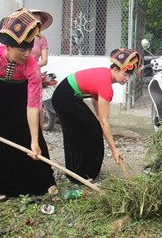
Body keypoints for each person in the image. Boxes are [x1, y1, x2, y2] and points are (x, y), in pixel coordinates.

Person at [0, 8, 56, 200]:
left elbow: (33, 106)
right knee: (3, 134)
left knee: (30, 136)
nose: (27, 54)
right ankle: (7, 187)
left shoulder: (32, 67)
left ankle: (43, 183)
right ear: (8, 46)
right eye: (23, 49)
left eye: (30, 49)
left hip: (21, 92)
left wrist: (33, 140)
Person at [51, 48, 141, 182]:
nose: (126, 78)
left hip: (68, 96)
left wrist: (97, 118)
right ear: (115, 70)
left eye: (129, 76)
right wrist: (114, 150)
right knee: (88, 132)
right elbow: (104, 122)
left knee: (90, 129)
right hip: (64, 97)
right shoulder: (106, 87)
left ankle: (82, 171)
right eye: (125, 74)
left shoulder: (105, 76)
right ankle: (81, 174)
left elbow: (95, 98)